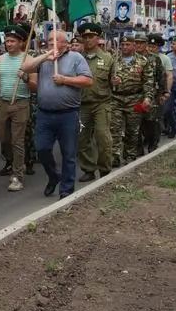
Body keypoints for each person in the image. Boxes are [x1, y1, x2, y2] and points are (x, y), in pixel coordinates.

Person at [21, 31, 93, 199]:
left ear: (64, 43)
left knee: (68, 153)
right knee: (42, 149)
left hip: (68, 114)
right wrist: (46, 56)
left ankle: (66, 189)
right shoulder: (43, 58)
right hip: (44, 114)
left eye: (54, 41)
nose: (50, 43)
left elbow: (88, 81)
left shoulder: (76, 58)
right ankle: (54, 176)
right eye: (48, 41)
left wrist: (65, 80)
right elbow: (25, 68)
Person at [0, 25, 37, 192]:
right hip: (3, 104)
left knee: (17, 141)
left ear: (21, 42)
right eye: (7, 41)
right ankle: (13, 162)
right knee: (4, 140)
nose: (9, 44)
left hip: (21, 104)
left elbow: (35, 87)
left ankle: (17, 176)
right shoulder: (1, 59)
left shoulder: (29, 60)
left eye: (12, 41)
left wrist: (26, 77)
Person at [109, 34, 154, 167]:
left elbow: (148, 81)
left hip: (135, 99)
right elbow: (106, 79)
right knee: (114, 129)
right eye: (122, 45)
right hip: (116, 98)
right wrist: (112, 81)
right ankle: (114, 156)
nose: (124, 47)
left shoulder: (143, 61)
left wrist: (147, 98)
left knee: (132, 129)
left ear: (134, 46)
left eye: (128, 44)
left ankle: (130, 154)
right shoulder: (113, 59)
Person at [77, 23, 114, 182]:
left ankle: (105, 170)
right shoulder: (77, 59)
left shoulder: (107, 58)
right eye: (85, 37)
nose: (88, 40)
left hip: (102, 104)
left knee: (103, 138)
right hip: (82, 105)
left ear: (98, 38)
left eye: (91, 36)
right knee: (82, 139)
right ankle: (89, 169)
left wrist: (116, 81)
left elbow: (114, 82)